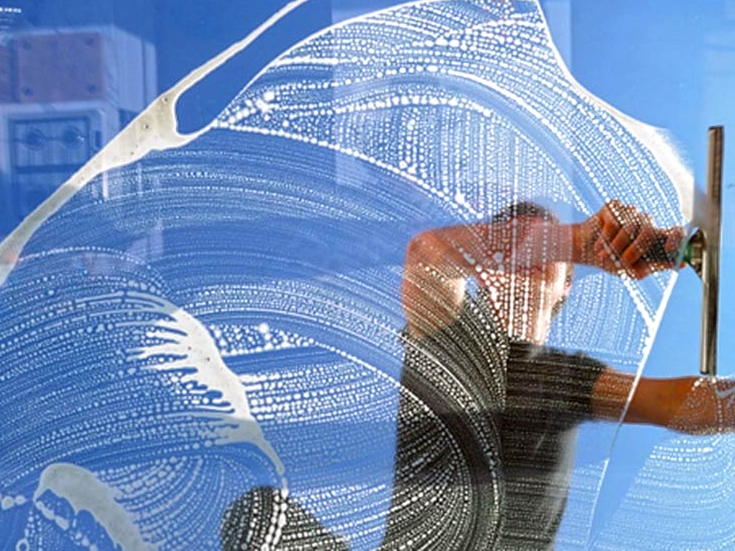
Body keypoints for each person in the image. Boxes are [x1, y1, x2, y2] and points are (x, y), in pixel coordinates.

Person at [222, 200, 734, 550]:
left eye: (543, 251)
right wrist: (578, 241)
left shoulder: (570, 380)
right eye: (517, 247)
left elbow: (682, 405)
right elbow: (429, 258)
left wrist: (672, 249)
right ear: (487, 273)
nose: (528, 256)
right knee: (262, 517)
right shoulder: (450, 341)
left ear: (567, 286)